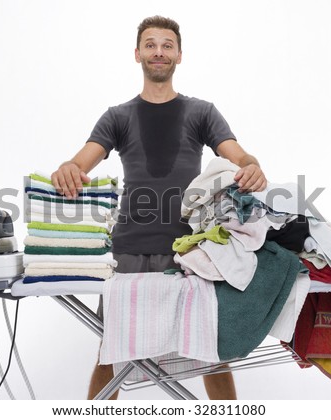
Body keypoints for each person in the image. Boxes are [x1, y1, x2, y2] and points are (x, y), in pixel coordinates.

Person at [51, 15, 267, 400]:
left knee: (211, 350)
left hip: (191, 249)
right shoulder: (117, 116)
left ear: (179, 55)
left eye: (167, 45)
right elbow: (80, 163)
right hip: (128, 249)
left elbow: (237, 155)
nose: (158, 52)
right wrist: (69, 168)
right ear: (137, 54)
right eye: (150, 45)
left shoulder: (202, 112)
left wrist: (251, 165)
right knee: (110, 351)